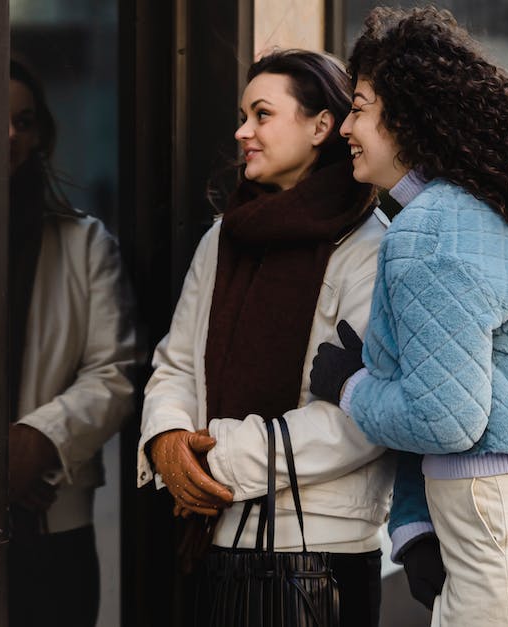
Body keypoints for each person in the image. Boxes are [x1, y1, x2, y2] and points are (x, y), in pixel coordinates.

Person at [309, 7, 508, 625]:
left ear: (409, 117)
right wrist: (415, 525)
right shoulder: (464, 212)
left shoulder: (432, 232)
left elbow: (443, 419)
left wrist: (349, 386)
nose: (345, 125)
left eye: (360, 106)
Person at [138, 49, 393, 627]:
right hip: (217, 541)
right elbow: (176, 363)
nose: (241, 131)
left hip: (322, 546)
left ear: (320, 126)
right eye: (242, 115)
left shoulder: (372, 249)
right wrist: (170, 441)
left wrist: (213, 461)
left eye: (261, 114)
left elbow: (364, 414)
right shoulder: (223, 238)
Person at [4, 59, 138, 627]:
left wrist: (38, 442)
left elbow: (117, 372)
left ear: (40, 136)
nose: (11, 133)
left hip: (54, 521)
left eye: (25, 120)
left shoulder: (84, 244)